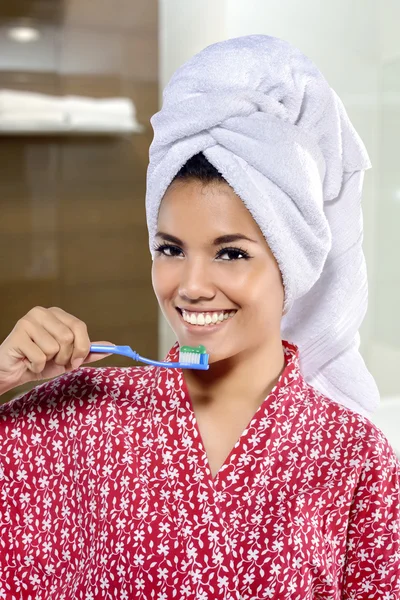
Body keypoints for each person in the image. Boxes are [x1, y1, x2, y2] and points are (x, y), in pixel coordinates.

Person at [0, 35, 399, 600]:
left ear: (293, 264)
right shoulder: (82, 412)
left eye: (231, 253)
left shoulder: (354, 457)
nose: (189, 286)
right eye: (169, 249)